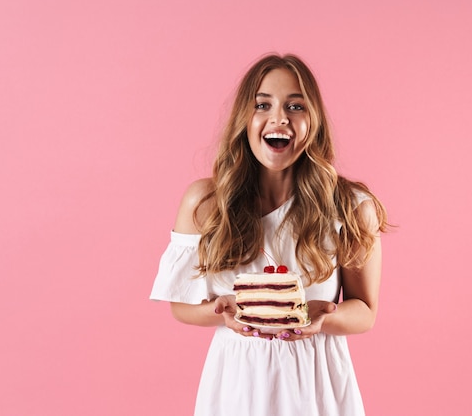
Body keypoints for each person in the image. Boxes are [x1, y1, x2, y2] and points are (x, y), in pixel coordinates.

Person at [150, 53, 388, 416]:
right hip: (236, 385)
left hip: (316, 386)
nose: (279, 118)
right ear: (245, 119)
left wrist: (320, 317)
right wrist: (225, 312)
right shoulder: (206, 202)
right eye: (263, 104)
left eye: (296, 105)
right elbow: (181, 305)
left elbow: (365, 312)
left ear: (315, 121)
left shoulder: (351, 206)